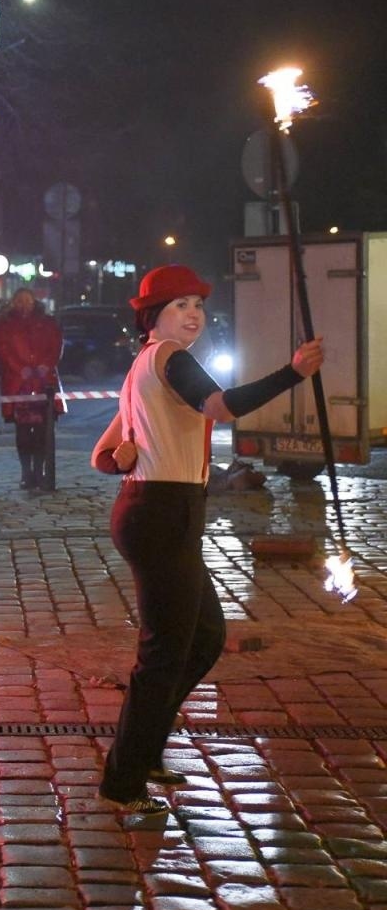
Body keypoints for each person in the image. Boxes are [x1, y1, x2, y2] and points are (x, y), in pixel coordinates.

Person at [91, 264, 323, 816]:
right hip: (160, 513)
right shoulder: (169, 357)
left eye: (197, 303)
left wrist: (117, 457)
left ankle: (142, 750)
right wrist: (291, 373)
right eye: (179, 305)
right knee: (165, 653)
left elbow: (103, 452)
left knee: (205, 637)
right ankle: (122, 783)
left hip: (168, 512)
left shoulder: (146, 364)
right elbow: (220, 406)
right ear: (154, 315)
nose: (192, 313)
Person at [0, 287, 65, 490]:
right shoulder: (6, 325)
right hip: (20, 385)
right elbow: (3, 349)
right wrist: (20, 368)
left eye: (28, 300)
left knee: (44, 432)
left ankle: (39, 471)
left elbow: (56, 346)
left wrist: (46, 365)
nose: (24, 304)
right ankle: (27, 473)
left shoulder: (48, 323)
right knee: (23, 433)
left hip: (44, 384)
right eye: (20, 300)